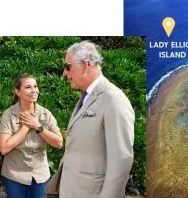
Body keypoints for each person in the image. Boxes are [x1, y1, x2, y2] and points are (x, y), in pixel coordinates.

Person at [55, 40, 135, 197]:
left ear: (85, 65)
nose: (65, 73)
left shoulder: (114, 100)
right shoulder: (87, 96)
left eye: (68, 66)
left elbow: (121, 160)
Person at [0, 73, 63, 198]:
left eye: (35, 86)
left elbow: (59, 143)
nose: (34, 91)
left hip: (40, 175)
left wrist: (38, 126)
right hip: (15, 175)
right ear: (18, 91)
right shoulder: (9, 115)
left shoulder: (45, 114)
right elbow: (4, 148)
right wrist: (26, 128)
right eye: (28, 87)